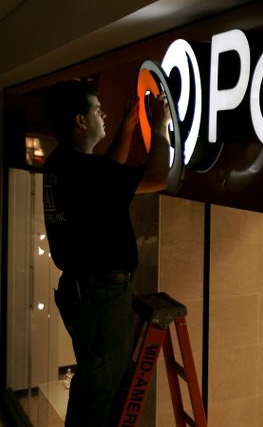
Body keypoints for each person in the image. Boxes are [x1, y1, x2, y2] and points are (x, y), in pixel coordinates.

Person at [42, 80, 170, 426]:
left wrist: (129, 125)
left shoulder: (62, 164)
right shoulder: (85, 171)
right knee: (102, 393)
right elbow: (159, 177)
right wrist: (159, 126)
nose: (104, 114)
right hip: (100, 296)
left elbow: (109, 171)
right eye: (98, 109)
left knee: (94, 385)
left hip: (84, 292)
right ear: (81, 121)